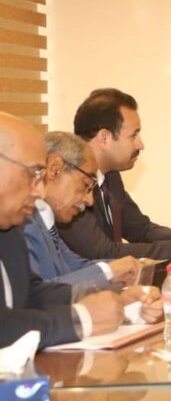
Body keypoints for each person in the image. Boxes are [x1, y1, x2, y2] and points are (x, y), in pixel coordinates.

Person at [0, 112, 161, 349]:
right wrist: (83, 319)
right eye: (33, 174)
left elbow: (31, 294)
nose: (40, 191)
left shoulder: (8, 227)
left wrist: (114, 301)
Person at [58, 88, 171, 262]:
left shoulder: (111, 176)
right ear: (104, 138)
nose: (140, 145)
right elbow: (102, 252)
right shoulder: (70, 185)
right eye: (133, 135)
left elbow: (140, 230)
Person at [23, 131, 141, 289]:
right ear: (55, 169)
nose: (90, 201)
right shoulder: (21, 224)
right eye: (86, 185)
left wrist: (130, 266)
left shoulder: (45, 219)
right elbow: (37, 292)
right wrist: (109, 271)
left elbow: (74, 265)